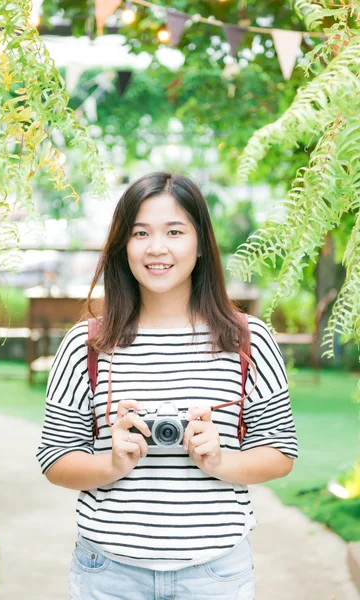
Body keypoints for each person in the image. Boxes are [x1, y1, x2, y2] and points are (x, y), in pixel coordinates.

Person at [36, 172, 298, 600]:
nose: (157, 248)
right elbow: (54, 458)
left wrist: (218, 460)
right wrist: (112, 464)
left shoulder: (247, 340)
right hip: (108, 574)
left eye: (174, 231)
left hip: (215, 575)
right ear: (123, 244)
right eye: (141, 233)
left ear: (200, 242)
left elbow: (281, 452)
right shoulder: (87, 344)